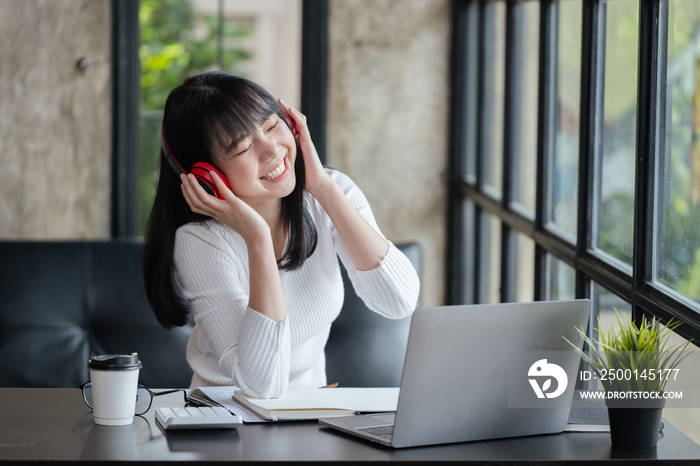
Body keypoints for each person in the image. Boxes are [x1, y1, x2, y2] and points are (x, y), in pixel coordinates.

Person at [143, 71, 420, 398]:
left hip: (313, 415)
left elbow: (399, 302)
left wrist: (322, 187)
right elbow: (261, 385)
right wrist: (257, 239)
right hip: (224, 424)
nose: (272, 150)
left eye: (273, 126)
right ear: (208, 175)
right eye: (242, 147)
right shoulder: (200, 241)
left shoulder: (330, 194)